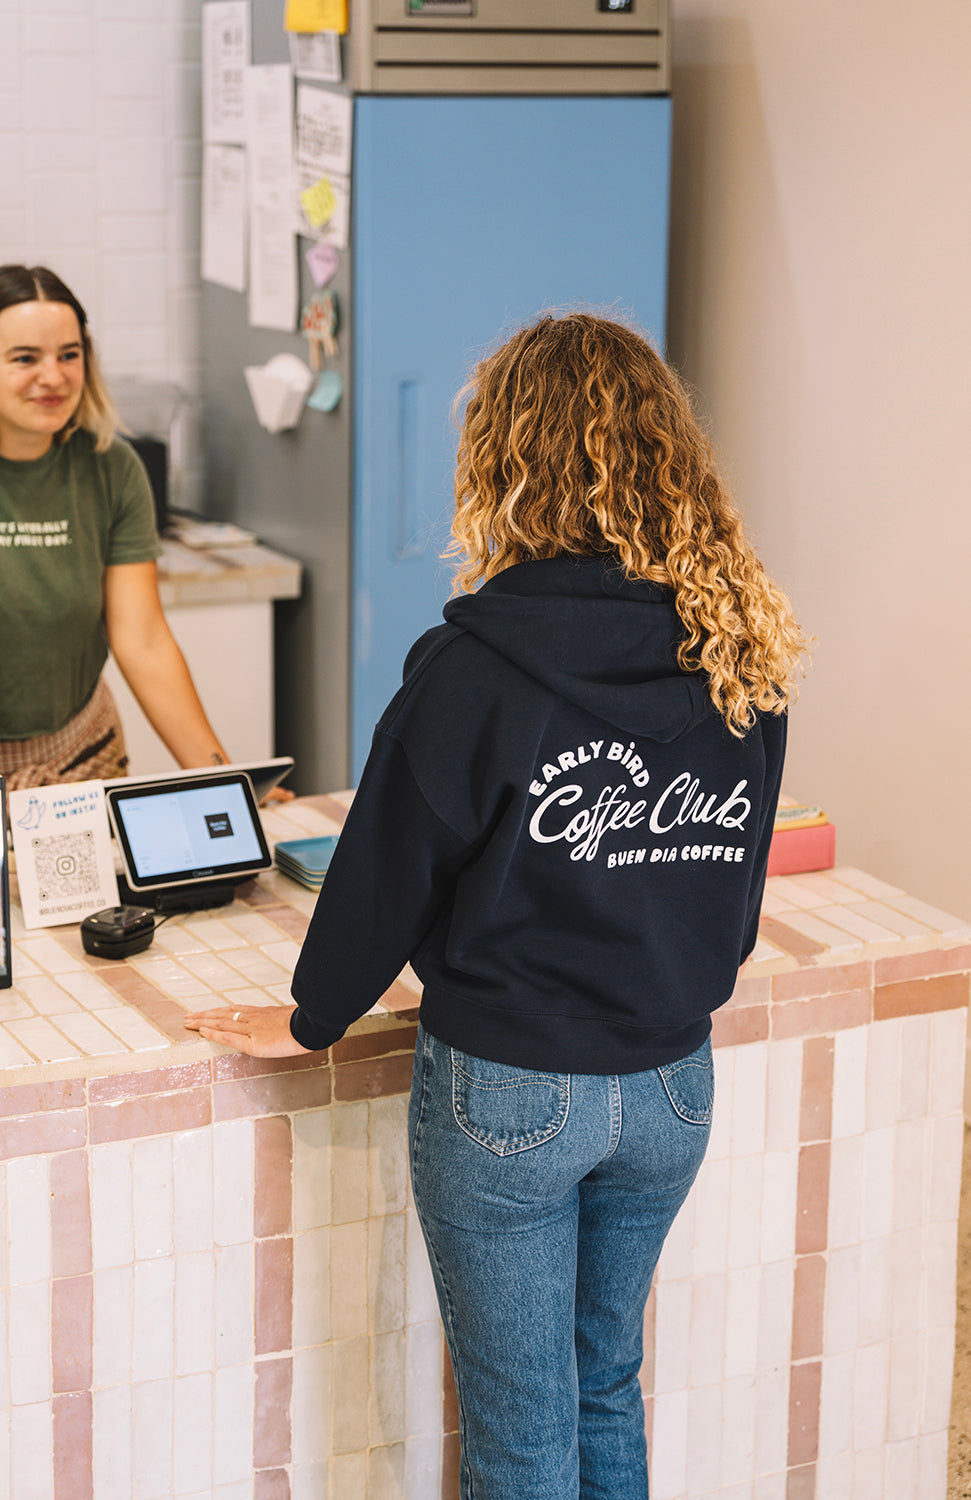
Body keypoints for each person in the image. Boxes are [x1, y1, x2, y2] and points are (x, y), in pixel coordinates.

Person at [186, 313, 810, 1499]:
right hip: (674, 1083)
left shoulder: (471, 666)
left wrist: (313, 1017)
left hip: (510, 1092)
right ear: (666, 454)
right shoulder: (737, 647)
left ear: (505, 461)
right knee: (601, 1386)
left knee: (522, 1436)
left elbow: (385, 868)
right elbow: (735, 886)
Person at [0, 263, 265, 792]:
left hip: (79, 758)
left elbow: (141, 639)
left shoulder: (110, 467)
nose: (53, 378)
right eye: (25, 358)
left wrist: (221, 779)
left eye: (69, 355)